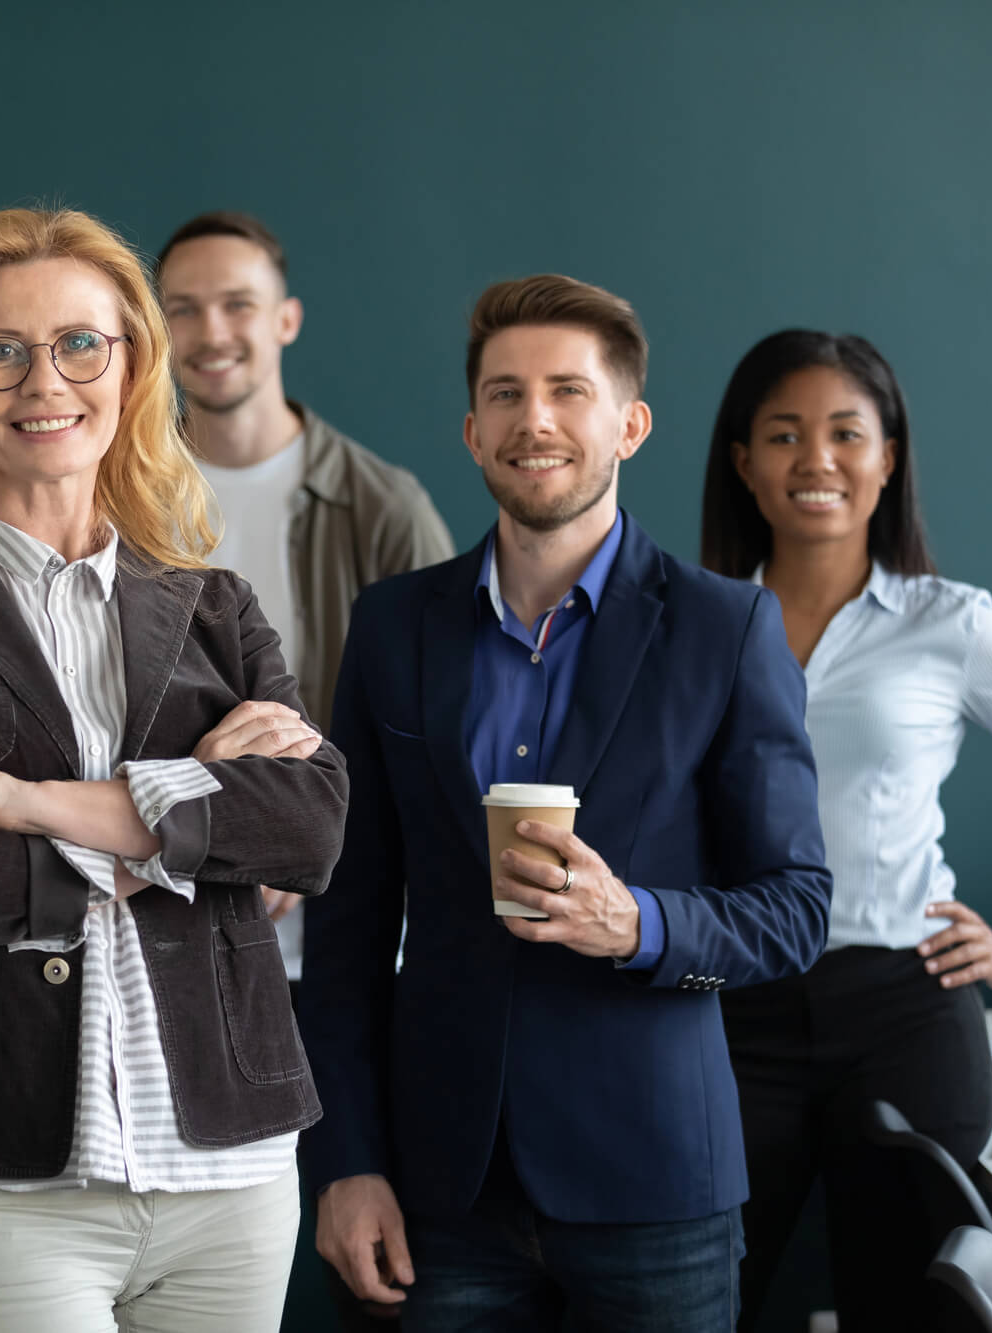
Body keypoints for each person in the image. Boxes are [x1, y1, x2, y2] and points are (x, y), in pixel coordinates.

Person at [0, 206, 349, 1333]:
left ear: (129, 368)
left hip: (227, 1160)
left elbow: (305, 830)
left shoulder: (212, 604)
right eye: (0, 350)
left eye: (78, 345)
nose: (42, 380)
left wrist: (3, 798)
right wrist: (185, 815)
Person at [300, 275, 833, 1331]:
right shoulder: (392, 625)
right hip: (438, 1188)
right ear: (469, 429)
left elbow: (794, 906)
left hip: (656, 1181)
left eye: (565, 391)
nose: (532, 419)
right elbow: (346, 928)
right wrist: (346, 1162)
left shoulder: (724, 629)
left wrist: (634, 922)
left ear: (628, 423)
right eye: (503, 394)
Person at [700, 329, 992, 1330]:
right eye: (781, 434)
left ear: (888, 456)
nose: (813, 459)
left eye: (843, 433)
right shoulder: (686, 622)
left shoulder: (952, 624)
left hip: (905, 1007)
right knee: (697, 1298)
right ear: (741, 462)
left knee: (907, 1305)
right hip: (733, 1011)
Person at [156, 209, 453, 973]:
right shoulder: (117, 504)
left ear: (286, 319)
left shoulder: (383, 507)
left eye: (237, 304)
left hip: (344, 946)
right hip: (161, 931)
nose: (210, 331)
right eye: (181, 309)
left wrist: (288, 831)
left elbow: (443, 728)